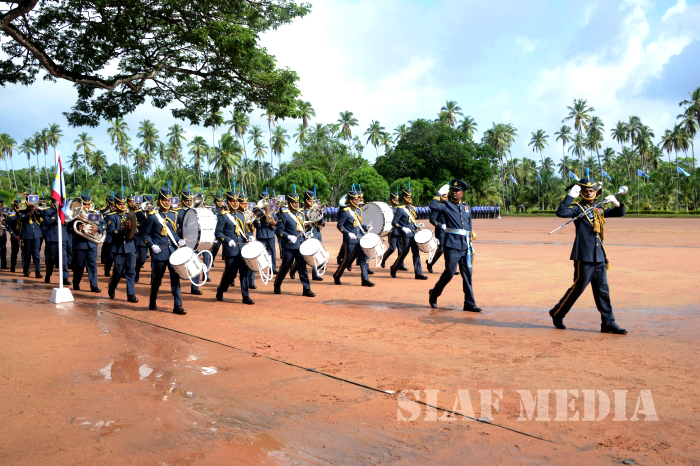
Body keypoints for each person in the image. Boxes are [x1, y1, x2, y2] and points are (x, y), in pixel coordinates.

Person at [548, 178, 627, 334]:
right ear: (581, 193)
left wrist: (616, 203)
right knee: (577, 289)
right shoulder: (578, 209)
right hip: (584, 256)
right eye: (585, 191)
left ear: (595, 192)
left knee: (603, 292)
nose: (589, 193)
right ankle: (557, 313)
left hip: (599, 257)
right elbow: (561, 212)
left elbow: (619, 213)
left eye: (591, 191)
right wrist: (570, 196)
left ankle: (608, 323)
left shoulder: (598, 208)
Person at [427, 180, 482, 312]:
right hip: (452, 244)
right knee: (450, 272)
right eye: (452, 190)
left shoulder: (466, 207)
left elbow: (468, 225)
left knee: (467, 274)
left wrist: (470, 238)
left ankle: (469, 303)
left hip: (465, 245)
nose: (454, 192)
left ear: (462, 193)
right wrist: (439, 193)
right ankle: (434, 293)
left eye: (457, 191)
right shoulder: (445, 205)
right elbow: (433, 206)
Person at [141, 188, 187, 315]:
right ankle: (152, 300)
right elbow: (145, 235)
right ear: (159, 201)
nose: (166, 203)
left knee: (175, 279)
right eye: (164, 200)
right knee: (157, 279)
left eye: (168, 200)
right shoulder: (153, 217)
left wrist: (179, 241)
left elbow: (174, 234)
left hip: (173, 252)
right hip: (159, 252)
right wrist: (152, 245)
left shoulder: (174, 215)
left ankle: (178, 305)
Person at [214, 191, 255, 304]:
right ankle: (221, 289)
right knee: (230, 274)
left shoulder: (242, 215)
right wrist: (227, 240)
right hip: (231, 250)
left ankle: (245, 296)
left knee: (244, 273)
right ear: (228, 202)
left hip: (242, 249)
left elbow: (245, 232)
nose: (236, 203)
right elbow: (218, 233)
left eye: (237, 201)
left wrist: (249, 237)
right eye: (233, 201)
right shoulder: (223, 217)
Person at [273, 192, 316, 296]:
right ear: (290, 203)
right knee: (285, 267)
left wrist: (307, 234)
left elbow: (302, 228)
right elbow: (279, 231)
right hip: (289, 246)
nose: (296, 204)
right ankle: (277, 284)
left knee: (302, 267)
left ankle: (306, 289)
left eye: (297, 202)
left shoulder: (300, 214)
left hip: (300, 245)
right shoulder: (284, 215)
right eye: (294, 202)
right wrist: (288, 236)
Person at [332, 189, 374, 287]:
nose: (357, 201)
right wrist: (348, 233)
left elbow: (358, 225)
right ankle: (337, 275)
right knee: (347, 259)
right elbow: (340, 226)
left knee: (363, 259)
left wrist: (366, 226)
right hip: (350, 240)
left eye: (357, 199)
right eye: (355, 200)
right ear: (350, 200)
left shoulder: (357, 211)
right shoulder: (345, 212)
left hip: (359, 238)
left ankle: (365, 280)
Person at [389, 187, 428, 280]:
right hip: (405, 235)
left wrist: (417, 225)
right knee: (404, 253)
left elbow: (412, 222)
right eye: (407, 197)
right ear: (403, 198)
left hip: (414, 234)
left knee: (416, 253)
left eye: (410, 197)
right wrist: (402, 228)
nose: (409, 199)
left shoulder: (412, 208)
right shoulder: (400, 209)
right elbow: (394, 223)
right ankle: (394, 267)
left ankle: (418, 273)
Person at [106, 194, 138, 303]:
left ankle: (131, 294)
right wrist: (123, 229)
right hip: (118, 248)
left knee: (130, 272)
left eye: (124, 203)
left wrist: (133, 228)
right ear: (116, 204)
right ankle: (112, 286)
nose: (123, 205)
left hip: (129, 247)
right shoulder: (112, 216)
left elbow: (136, 231)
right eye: (120, 204)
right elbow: (111, 231)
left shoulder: (130, 214)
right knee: (118, 271)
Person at [69, 194, 105, 292]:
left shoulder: (93, 213)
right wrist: (78, 226)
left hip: (92, 244)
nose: (87, 206)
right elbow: (69, 226)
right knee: (79, 266)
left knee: (92, 265)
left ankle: (94, 286)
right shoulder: (75, 214)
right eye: (85, 204)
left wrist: (98, 228)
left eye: (88, 204)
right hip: (80, 244)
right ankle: (76, 283)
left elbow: (103, 224)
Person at [174, 190, 203, 295]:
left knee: (196, 262)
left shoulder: (196, 211)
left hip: (194, 240)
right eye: (187, 200)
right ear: (183, 201)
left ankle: (195, 287)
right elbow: (174, 228)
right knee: (179, 263)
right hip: (182, 241)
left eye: (190, 200)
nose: (189, 202)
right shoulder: (177, 212)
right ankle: (176, 287)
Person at [43, 197, 71, 285]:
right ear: (53, 202)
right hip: (53, 238)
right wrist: (58, 213)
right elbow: (47, 222)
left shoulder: (65, 211)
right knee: (51, 259)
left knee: (63, 259)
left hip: (63, 237)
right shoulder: (47, 211)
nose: (59, 204)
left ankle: (65, 278)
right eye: (57, 202)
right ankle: (48, 275)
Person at [300, 190, 325, 281]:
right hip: (307, 234)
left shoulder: (315, 210)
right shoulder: (301, 212)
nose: (311, 203)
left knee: (316, 254)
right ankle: (294, 269)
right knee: (305, 256)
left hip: (317, 233)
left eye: (312, 201)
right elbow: (300, 223)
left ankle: (315, 274)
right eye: (310, 201)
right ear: (305, 201)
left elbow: (322, 223)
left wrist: (321, 214)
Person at [19, 195, 44, 278]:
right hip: (27, 235)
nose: (31, 204)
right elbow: (21, 218)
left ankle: (38, 272)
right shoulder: (22, 212)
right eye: (29, 202)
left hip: (36, 235)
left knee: (36, 254)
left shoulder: (38, 212)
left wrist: (38, 209)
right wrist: (30, 212)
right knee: (27, 254)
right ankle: (26, 270)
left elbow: (44, 216)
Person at [253, 191, 277, 275]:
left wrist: (275, 223)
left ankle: (273, 268)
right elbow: (256, 225)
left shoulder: (272, 209)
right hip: (262, 233)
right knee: (260, 252)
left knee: (272, 252)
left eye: (267, 200)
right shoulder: (256, 210)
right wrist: (263, 216)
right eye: (264, 200)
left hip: (270, 233)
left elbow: (276, 219)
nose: (266, 202)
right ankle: (260, 267)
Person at [380, 192, 406, 270]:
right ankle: (383, 259)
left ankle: (400, 264)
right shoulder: (389, 209)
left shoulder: (400, 208)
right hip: (392, 230)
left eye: (397, 199)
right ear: (391, 200)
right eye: (395, 199)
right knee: (392, 248)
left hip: (400, 230)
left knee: (401, 249)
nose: (397, 201)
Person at [426, 191, 448, 273]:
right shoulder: (437, 207)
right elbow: (432, 220)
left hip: (449, 231)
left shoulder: (449, 207)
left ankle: (449, 268)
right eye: (444, 197)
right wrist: (440, 225)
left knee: (448, 250)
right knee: (441, 250)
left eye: (446, 197)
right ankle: (430, 263)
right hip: (441, 231)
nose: (445, 199)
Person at [134, 195, 152, 283]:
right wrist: (145, 219)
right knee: (142, 259)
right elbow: (138, 226)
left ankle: (154, 279)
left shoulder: (155, 213)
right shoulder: (138, 213)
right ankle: (136, 271)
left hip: (152, 238)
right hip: (142, 238)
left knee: (155, 261)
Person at [101, 196, 116, 276]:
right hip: (110, 237)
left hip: (119, 238)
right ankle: (107, 270)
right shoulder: (107, 213)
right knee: (110, 257)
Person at [0, 196, 7, 269]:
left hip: (3, 232)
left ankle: (3, 264)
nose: (1, 207)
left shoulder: (4, 213)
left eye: (1, 205)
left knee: (3, 249)